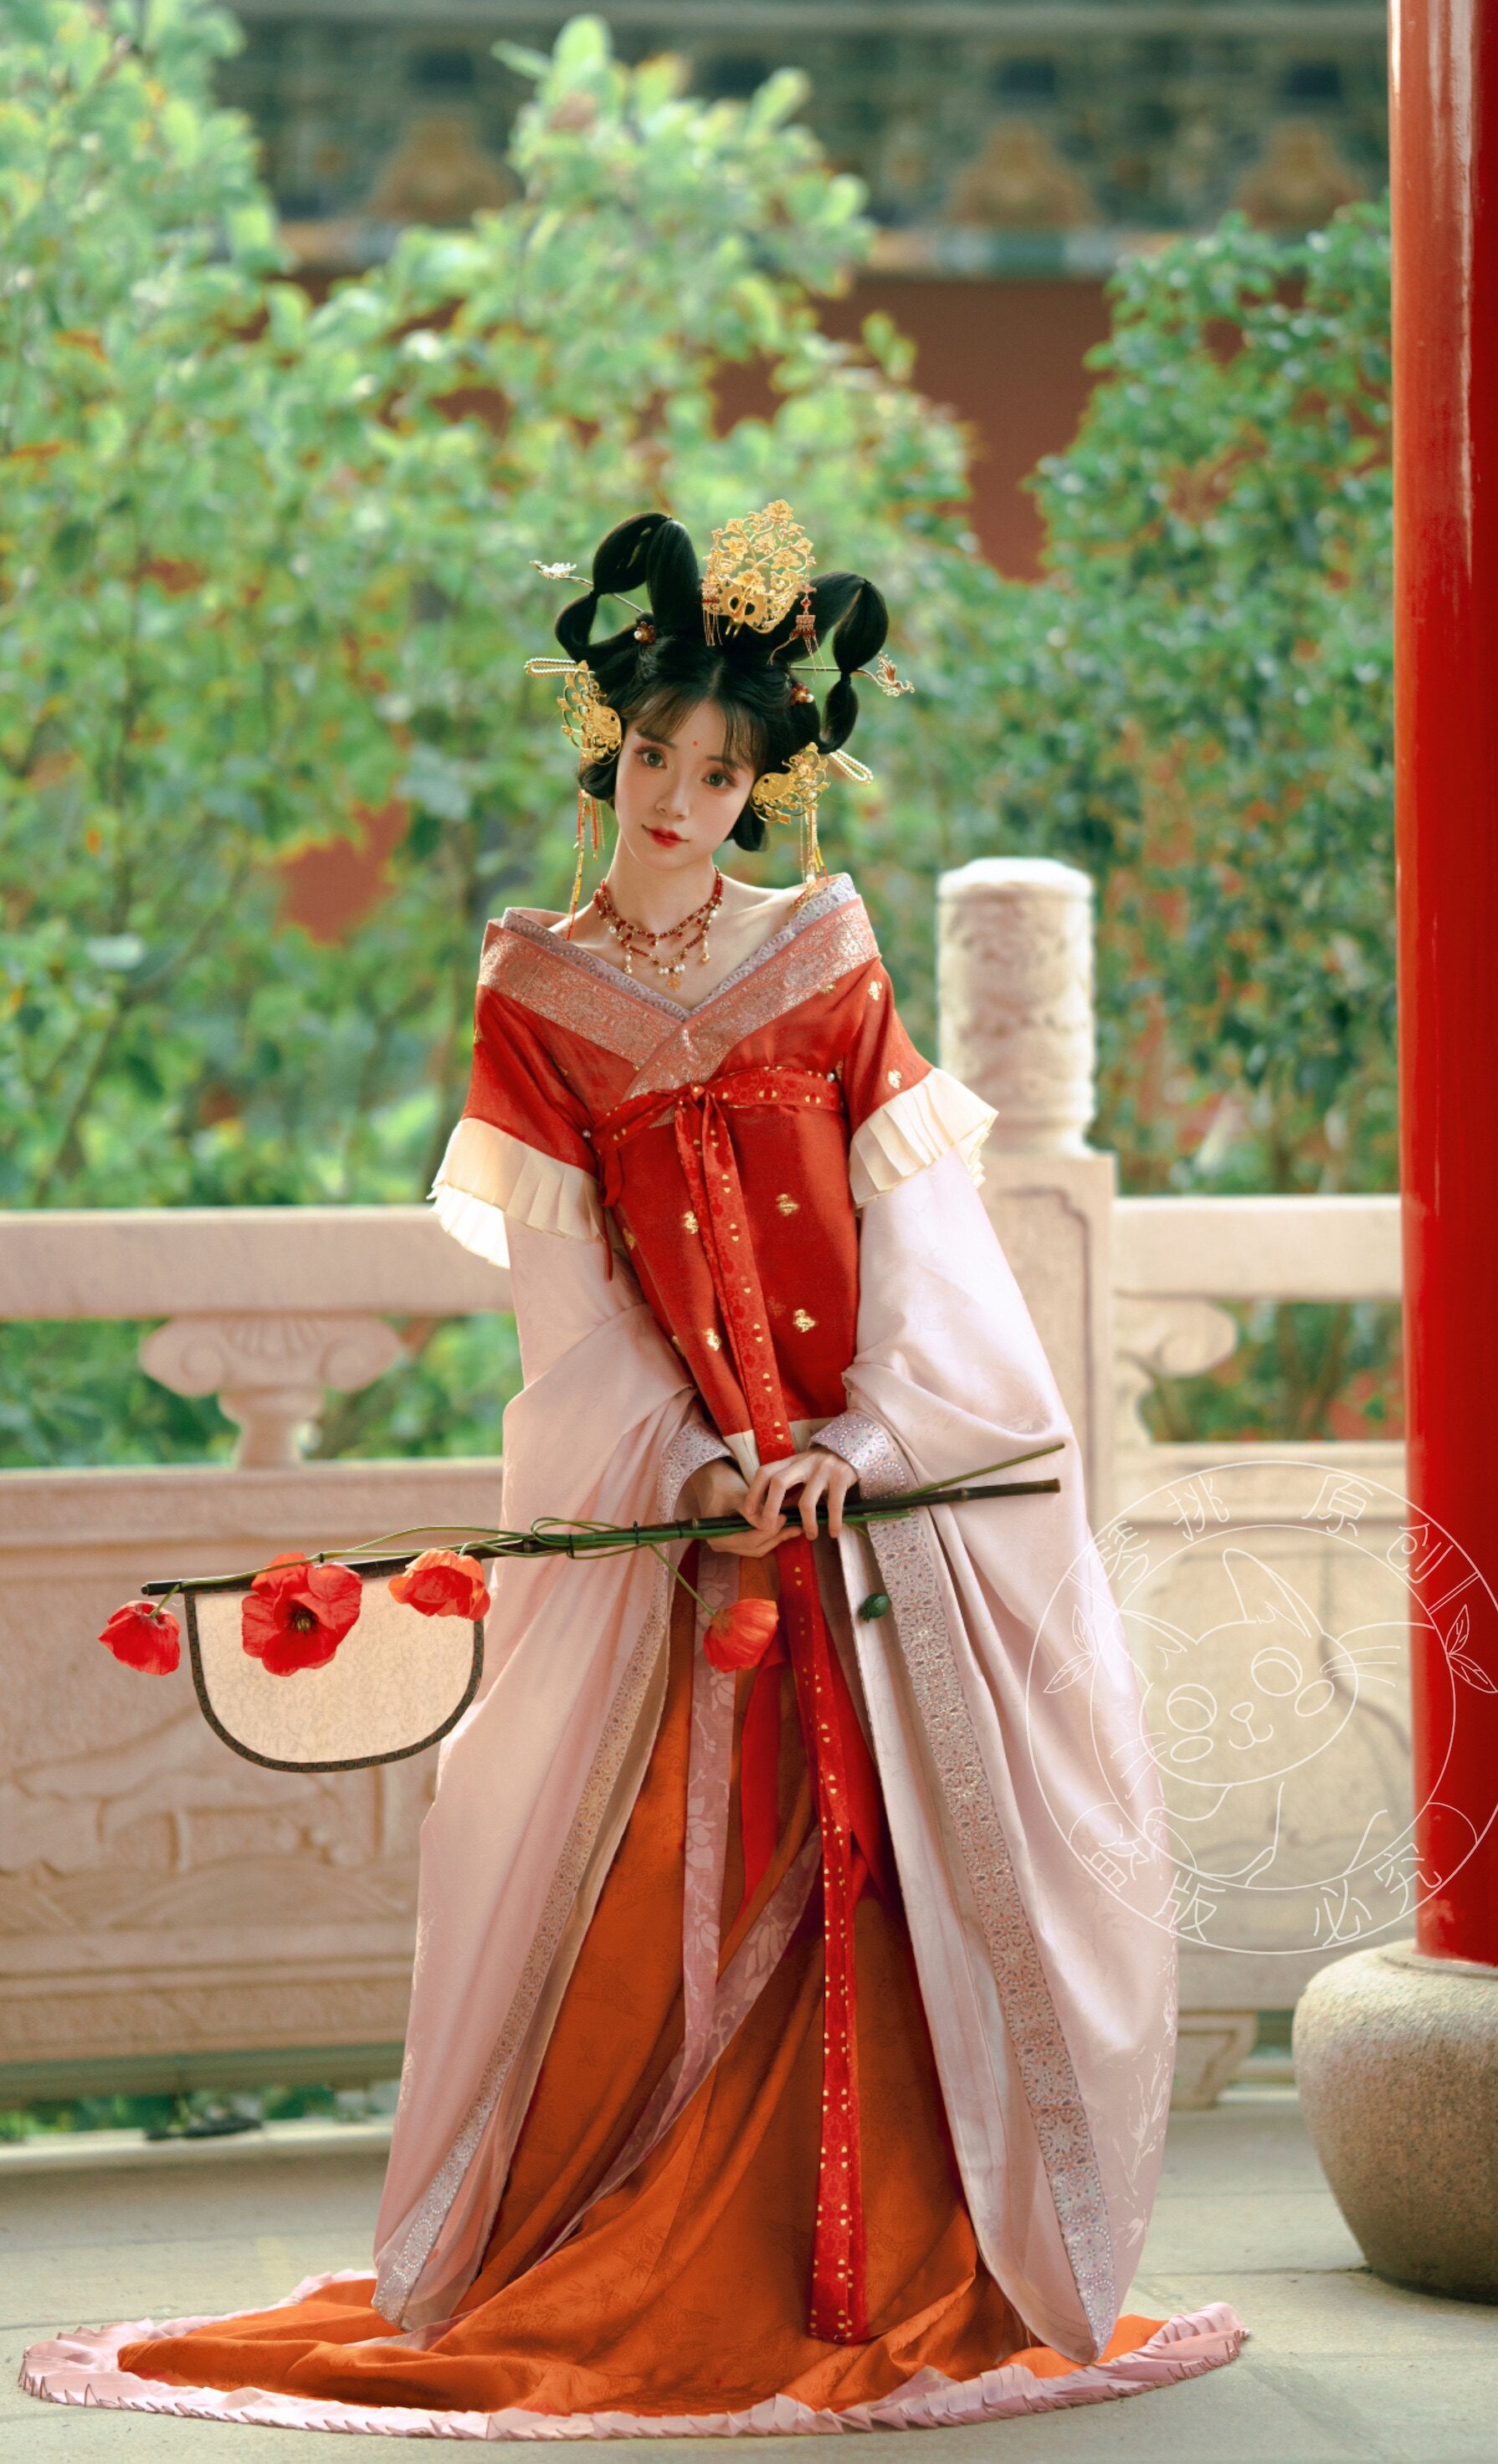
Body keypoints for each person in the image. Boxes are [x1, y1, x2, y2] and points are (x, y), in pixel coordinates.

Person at [23, 506, 1243, 2435]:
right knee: (662, 1858)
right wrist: (687, 1463)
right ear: (610, 745)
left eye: (723, 774)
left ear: (764, 790)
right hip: (693, 1533)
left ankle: (901, 2245)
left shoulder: (823, 951)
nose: (681, 801)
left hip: (863, 1513)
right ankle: (648, 2225)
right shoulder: (535, 990)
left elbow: (921, 1238)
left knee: (902, 1864)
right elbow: (574, 1304)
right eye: (659, 756)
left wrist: (871, 1440)